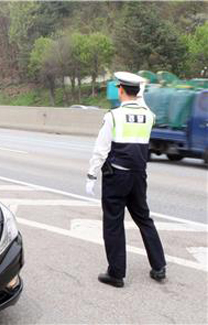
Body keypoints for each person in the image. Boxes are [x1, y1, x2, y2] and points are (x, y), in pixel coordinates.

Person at [86, 71, 166, 288]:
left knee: (113, 223)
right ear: (138, 93)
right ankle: (159, 267)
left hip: (117, 177)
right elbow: (144, 105)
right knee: (144, 218)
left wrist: (92, 175)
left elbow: (101, 150)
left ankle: (116, 274)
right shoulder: (149, 116)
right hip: (139, 176)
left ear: (120, 90)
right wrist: (141, 90)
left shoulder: (113, 116)